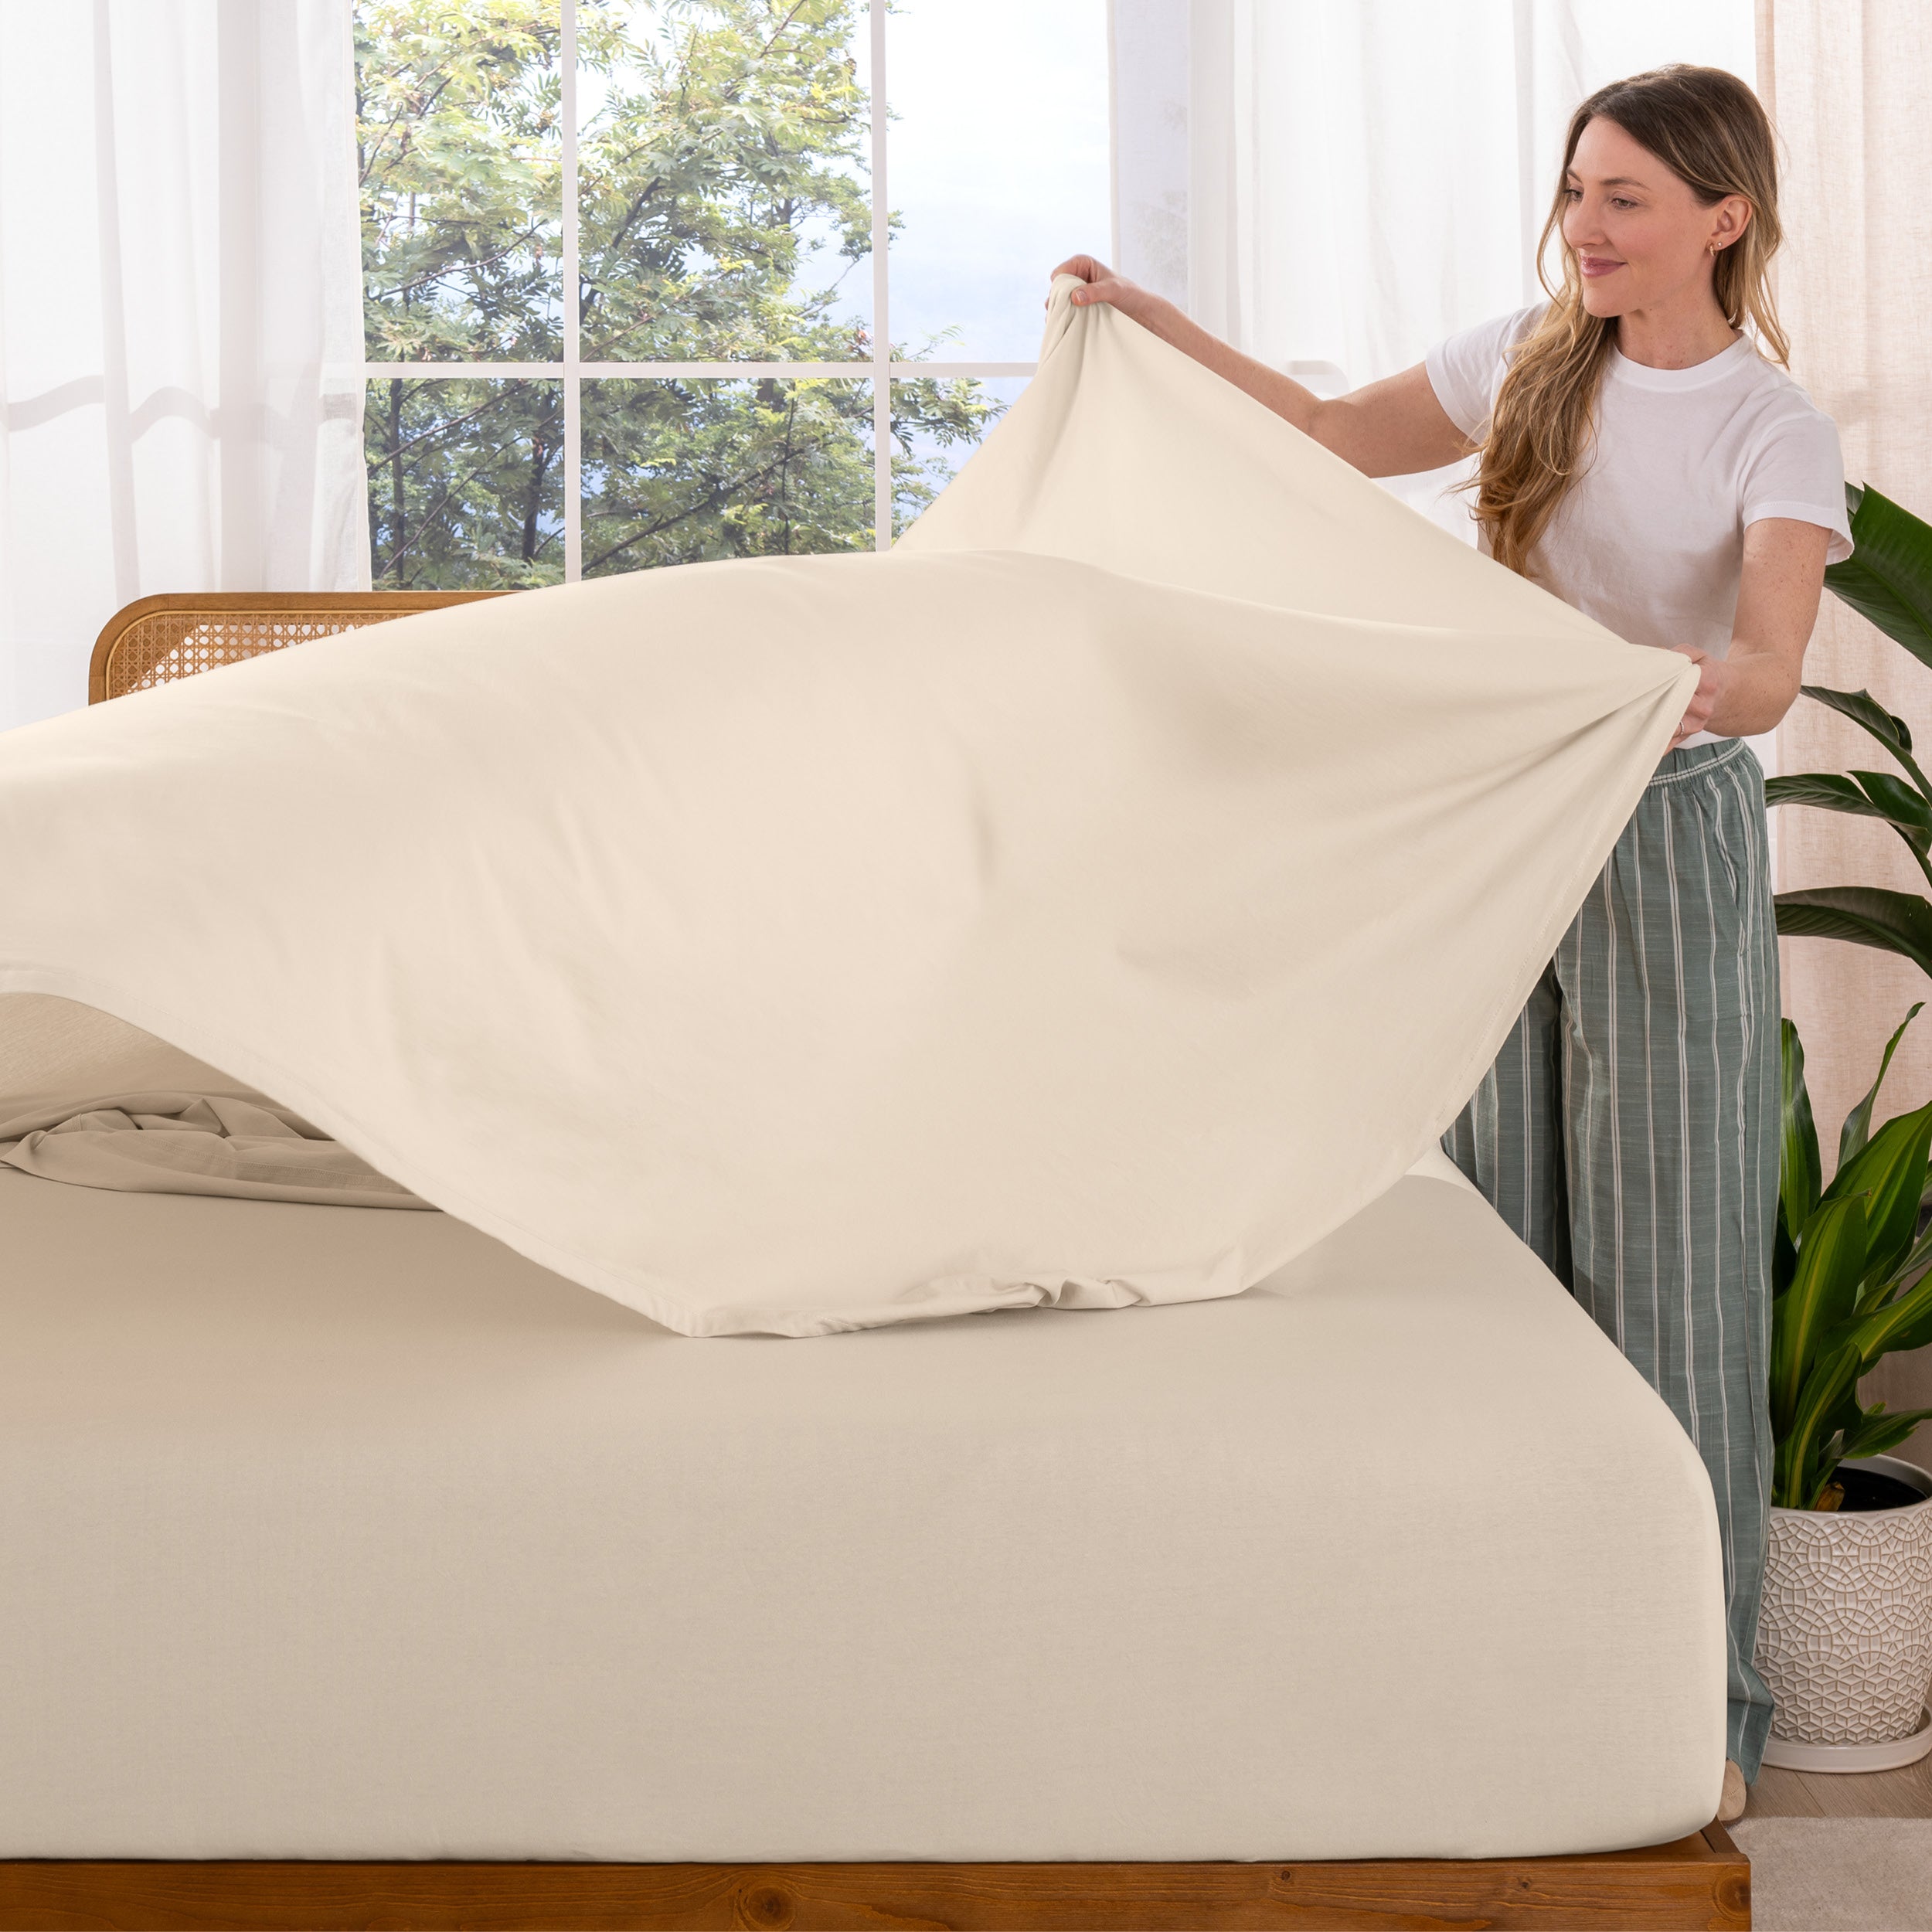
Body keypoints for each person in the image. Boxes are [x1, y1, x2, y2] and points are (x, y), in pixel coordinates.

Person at [1053, 63, 1852, 1825]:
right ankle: (1512, 1668)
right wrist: (1148, 323)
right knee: (1502, 1267)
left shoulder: (1767, 424)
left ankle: (1699, 1695)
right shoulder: (1523, 353)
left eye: (1624, 197)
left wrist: (1614, 693)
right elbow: (1330, 440)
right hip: (1494, 819)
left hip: (1655, 825)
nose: (1583, 224)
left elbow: (1765, 672)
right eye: (1574, 189)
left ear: (1721, 217)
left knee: (1666, 1286)